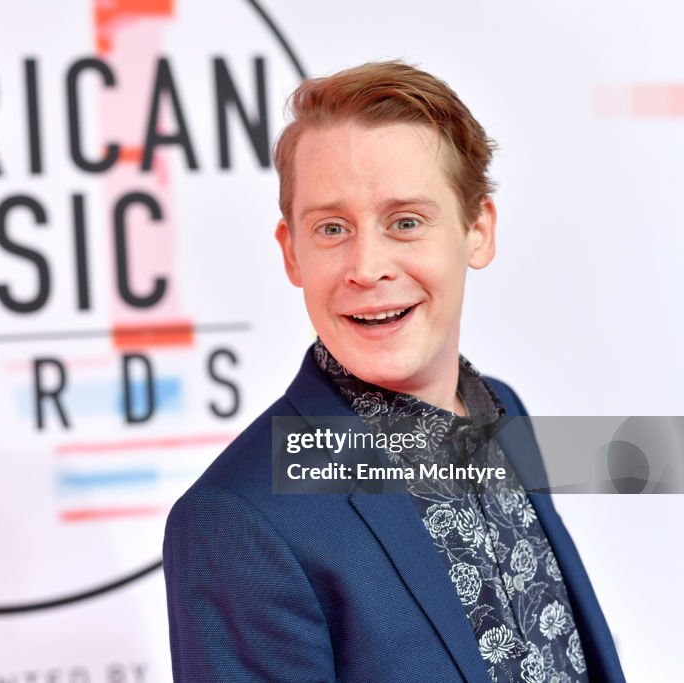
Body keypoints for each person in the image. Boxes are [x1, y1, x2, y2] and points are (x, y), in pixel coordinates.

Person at [163, 61, 625, 682]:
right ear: (292, 252)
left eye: (405, 221)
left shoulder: (503, 409)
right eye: (332, 228)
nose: (367, 266)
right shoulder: (236, 521)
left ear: (478, 230)